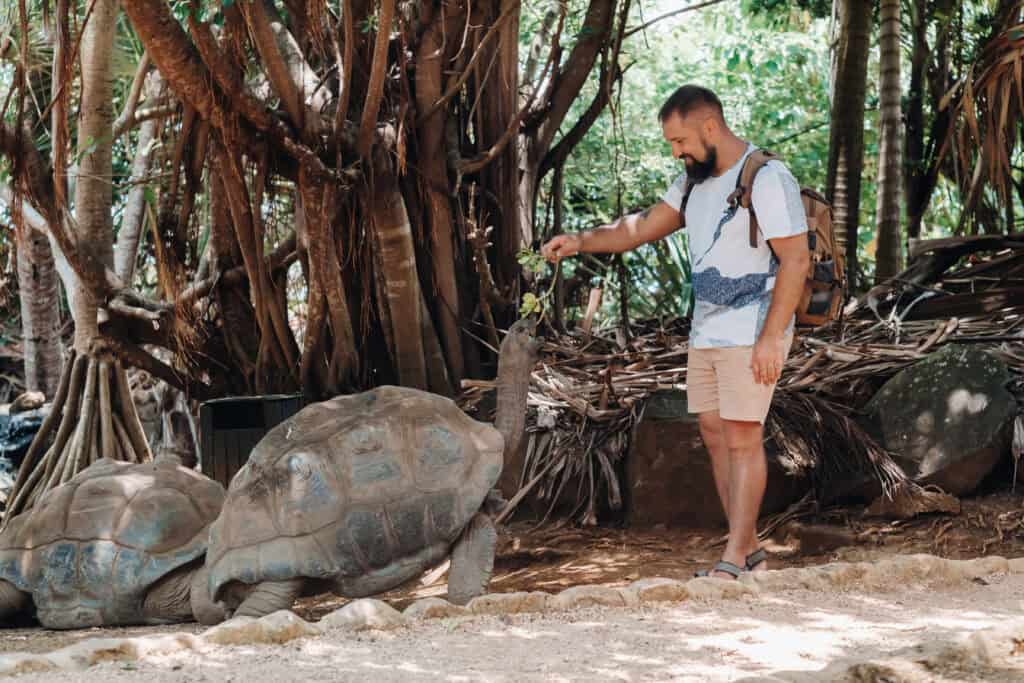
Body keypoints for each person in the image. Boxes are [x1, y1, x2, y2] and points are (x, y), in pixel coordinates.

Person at [540, 85, 809, 580]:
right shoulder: (694, 182)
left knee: (743, 436)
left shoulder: (766, 177)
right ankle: (747, 551)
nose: (676, 151)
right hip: (707, 327)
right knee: (712, 432)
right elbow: (638, 229)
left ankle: (733, 558)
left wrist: (772, 337)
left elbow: (796, 259)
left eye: (680, 140)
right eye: (671, 143)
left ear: (710, 126)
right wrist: (579, 241)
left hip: (753, 327)